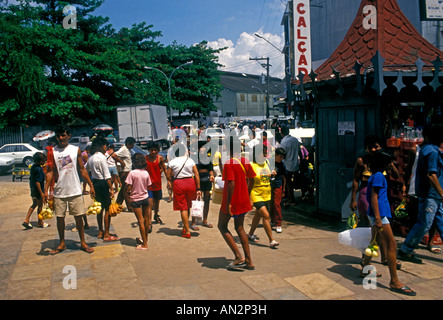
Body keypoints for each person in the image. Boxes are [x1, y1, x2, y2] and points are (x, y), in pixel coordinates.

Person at [361, 149, 416, 296]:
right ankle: (394, 281)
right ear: (384, 163)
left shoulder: (376, 175)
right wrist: (378, 218)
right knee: (391, 244)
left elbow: (395, 174)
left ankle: (365, 267)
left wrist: (390, 164)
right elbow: (374, 197)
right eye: (390, 162)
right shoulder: (379, 176)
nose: (392, 164)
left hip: (376, 214)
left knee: (374, 241)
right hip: (380, 215)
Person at [45, 124, 95, 255]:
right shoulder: (52, 152)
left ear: (69, 136)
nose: (61, 138)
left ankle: (83, 242)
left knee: (79, 217)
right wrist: (46, 191)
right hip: (59, 191)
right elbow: (50, 172)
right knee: (60, 218)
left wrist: (91, 185)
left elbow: (82, 169)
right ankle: (62, 243)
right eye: (59, 136)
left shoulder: (75, 150)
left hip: (75, 189)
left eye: (63, 135)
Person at [398, 124, 443, 262]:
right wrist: (441, 193)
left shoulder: (428, 149)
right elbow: (431, 175)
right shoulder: (432, 152)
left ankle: (407, 249)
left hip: (433, 194)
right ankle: (406, 249)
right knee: (424, 223)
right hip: (431, 194)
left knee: (441, 222)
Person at [218, 136, 256, 270]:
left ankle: (238, 255)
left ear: (227, 148)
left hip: (232, 200)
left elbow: (231, 184)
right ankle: (249, 261)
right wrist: (248, 193)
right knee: (240, 229)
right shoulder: (245, 161)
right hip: (243, 199)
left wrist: (228, 203)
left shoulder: (229, 164)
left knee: (222, 226)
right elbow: (252, 180)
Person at [350, 135, 399, 227]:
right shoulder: (361, 161)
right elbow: (356, 180)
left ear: (380, 148)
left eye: (376, 147)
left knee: (383, 224)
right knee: (370, 224)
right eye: (370, 147)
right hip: (366, 196)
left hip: (382, 197)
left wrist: (390, 163)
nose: (373, 150)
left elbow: (396, 176)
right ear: (366, 149)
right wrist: (353, 200)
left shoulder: (384, 163)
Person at [247, 146, 279, 248]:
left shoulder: (267, 163)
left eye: (266, 153)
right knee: (266, 216)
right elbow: (248, 182)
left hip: (267, 194)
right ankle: (271, 240)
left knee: (258, 215)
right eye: (263, 153)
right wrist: (249, 198)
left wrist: (273, 173)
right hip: (256, 194)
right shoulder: (251, 165)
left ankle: (250, 234)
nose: (265, 155)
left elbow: (268, 176)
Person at [166, 144, 201, 238]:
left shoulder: (172, 162)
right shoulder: (190, 160)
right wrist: (198, 188)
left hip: (179, 183)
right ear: (184, 151)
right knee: (188, 206)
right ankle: (185, 228)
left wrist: (171, 182)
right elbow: (196, 174)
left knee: (183, 208)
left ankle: (187, 231)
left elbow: (168, 175)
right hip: (191, 183)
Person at [86, 138, 116, 241]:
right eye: (105, 146)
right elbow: (107, 175)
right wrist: (111, 189)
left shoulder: (91, 158)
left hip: (95, 183)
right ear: (101, 146)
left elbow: (86, 169)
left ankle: (100, 231)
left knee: (99, 209)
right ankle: (106, 234)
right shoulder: (102, 157)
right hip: (103, 183)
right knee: (107, 209)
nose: (106, 148)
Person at [125, 153, 153, 250]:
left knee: (140, 220)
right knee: (146, 220)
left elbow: (128, 187)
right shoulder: (146, 173)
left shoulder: (132, 173)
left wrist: (128, 193)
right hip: (145, 197)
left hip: (135, 199)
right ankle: (145, 239)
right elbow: (149, 185)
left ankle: (144, 244)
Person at [22, 152, 49, 229]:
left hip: (33, 189)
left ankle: (26, 219)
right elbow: (38, 182)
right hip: (38, 190)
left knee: (34, 204)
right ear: (40, 161)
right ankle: (40, 222)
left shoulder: (33, 167)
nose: (44, 162)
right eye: (43, 160)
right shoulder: (39, 169)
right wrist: (41, 193)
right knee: (40, 205)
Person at [145, 141, 167, 224]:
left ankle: (156, 215)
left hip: (157, 184)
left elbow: (164, 169)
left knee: (157, 202)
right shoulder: (145, 158)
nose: (153, 152)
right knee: (149, 204)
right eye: (151, 150)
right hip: (148, 185)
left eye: (155, 150)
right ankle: (149, 223)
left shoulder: (160, 158)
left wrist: (169, 181)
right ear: (148, 150)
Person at [196, 141, 215, 229]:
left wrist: (211, 175)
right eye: (201, 147)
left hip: (207, 180)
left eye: (204, 147)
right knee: (197, 200)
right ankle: (194, 221)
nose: (202, 149)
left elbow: (211, 169)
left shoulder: (208, 158)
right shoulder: (195, 158)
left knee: (206, 200)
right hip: (197, 180)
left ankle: (205, 220)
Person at [279, 126, 300, 206]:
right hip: (295, 165)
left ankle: (291, 200)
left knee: (288, 183)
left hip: (287, 165)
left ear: (282, 133)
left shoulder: (284, 142)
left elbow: (282, 154)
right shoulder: (295, 140)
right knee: (290, 183)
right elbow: (299, 151)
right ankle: (289, 198)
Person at [115, 137, 135, 210]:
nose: (132, 146)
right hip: (125, 172)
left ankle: (118, 204)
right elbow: (114, 155)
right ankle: (130, 207)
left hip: (127, 172)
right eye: (132, 145)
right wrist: (121, 162)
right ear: (128, 144)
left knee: (123, 189)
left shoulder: (127, 150)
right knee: (126, 190)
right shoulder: (123, 149)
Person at [270, 147, 286, 233]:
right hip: (270, 186)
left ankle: (278, 223)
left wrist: (283, 190)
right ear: (275, 155)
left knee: (277, 204)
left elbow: (284, 178)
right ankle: (272, 220)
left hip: (278, 186)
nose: (281, 159)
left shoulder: (282, 165)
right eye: (280, 157)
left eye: (282, 157)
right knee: (271, 204)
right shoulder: (269, 162)